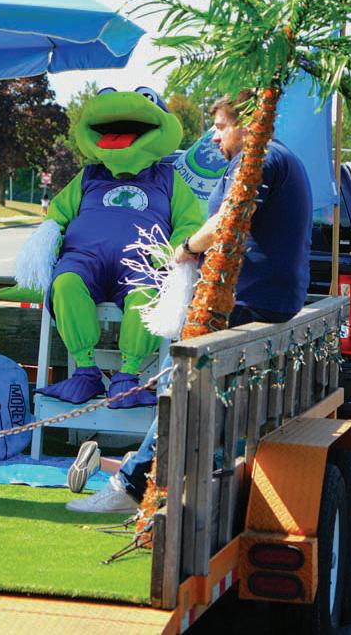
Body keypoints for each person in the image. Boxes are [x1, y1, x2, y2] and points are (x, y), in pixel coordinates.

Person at [65, 90, 314, 513]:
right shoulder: (273, 157)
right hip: (259, 297)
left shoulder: (261, 159)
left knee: (178, 387)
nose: (214, 138)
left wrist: (185, 249)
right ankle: (142, 469)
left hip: (246, 301)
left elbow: (227, 220)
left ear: (247, 124)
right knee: (189, 392)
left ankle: (130, 484)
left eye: (220, 127)